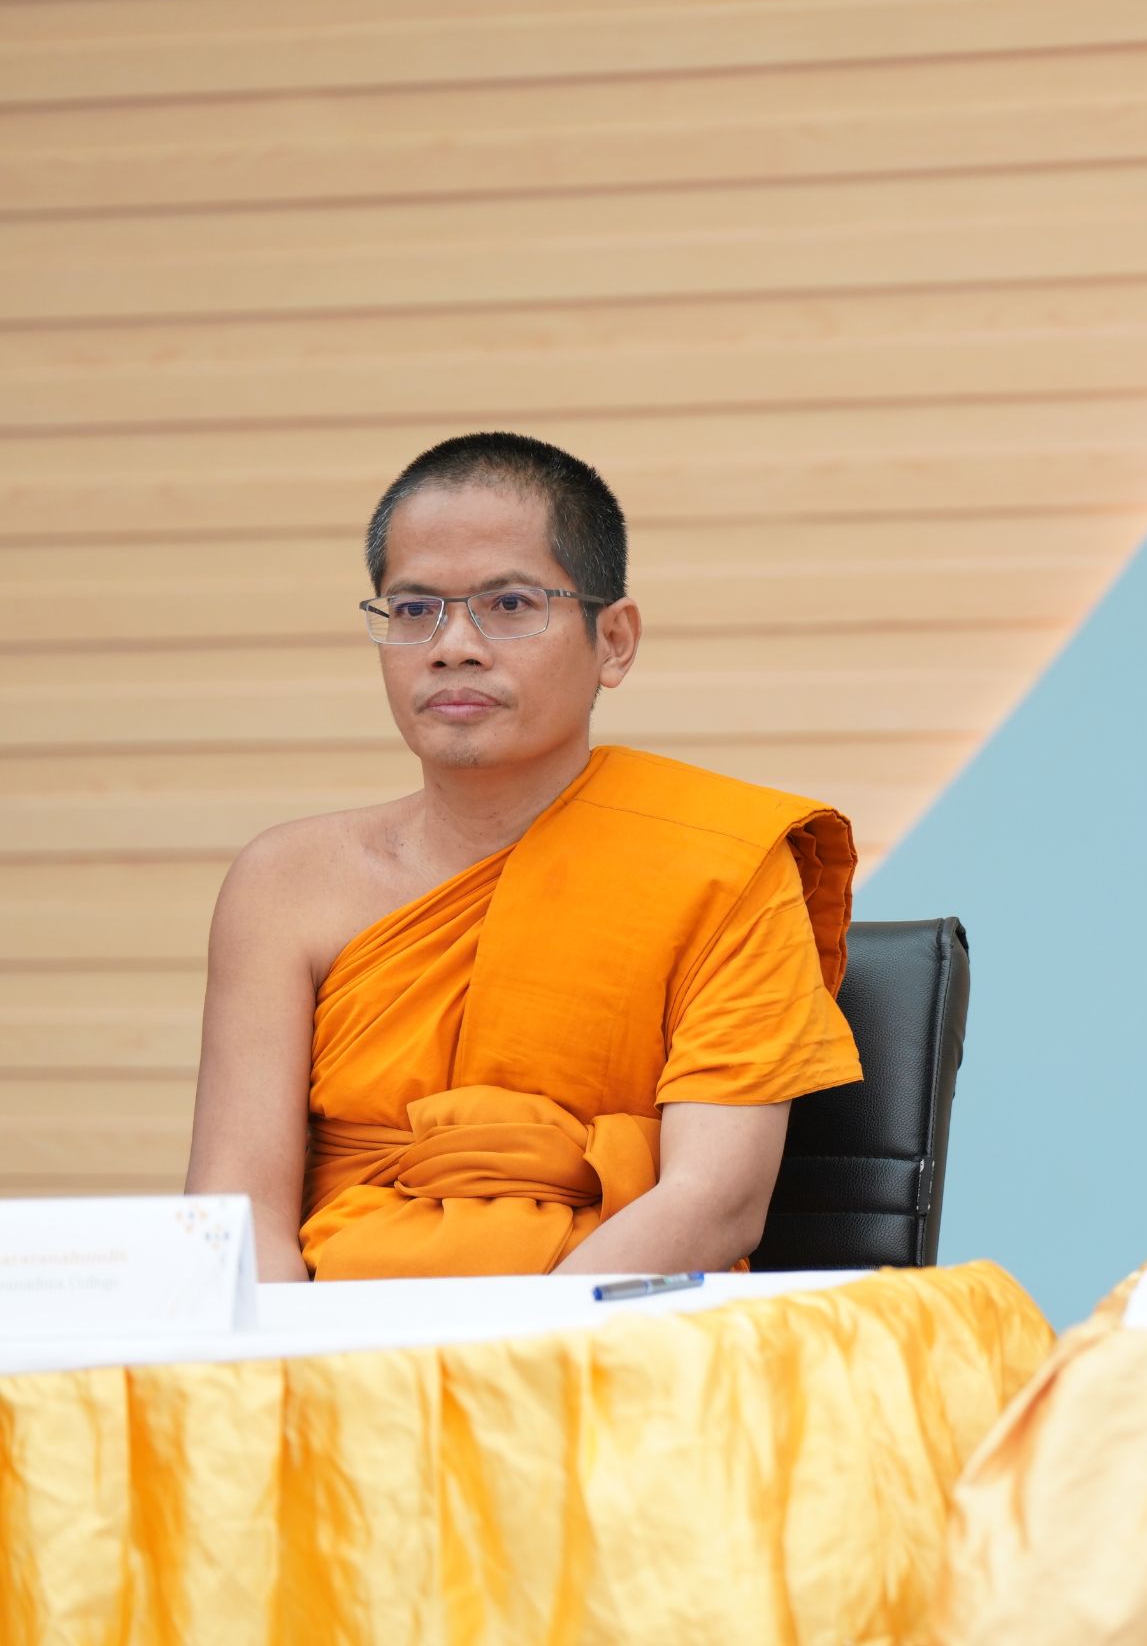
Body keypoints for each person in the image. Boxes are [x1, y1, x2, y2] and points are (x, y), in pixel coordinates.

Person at [184, 433, 861, 1280]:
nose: (453, 646)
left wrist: (513, 1349)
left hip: (605, 1334)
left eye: (508, 605)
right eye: (414, 610)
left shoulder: (721, 862)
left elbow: (711, 1199)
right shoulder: (287, 884)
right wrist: (305, 1357)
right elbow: (237, 1214)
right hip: (338, 1334)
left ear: (613, 641)